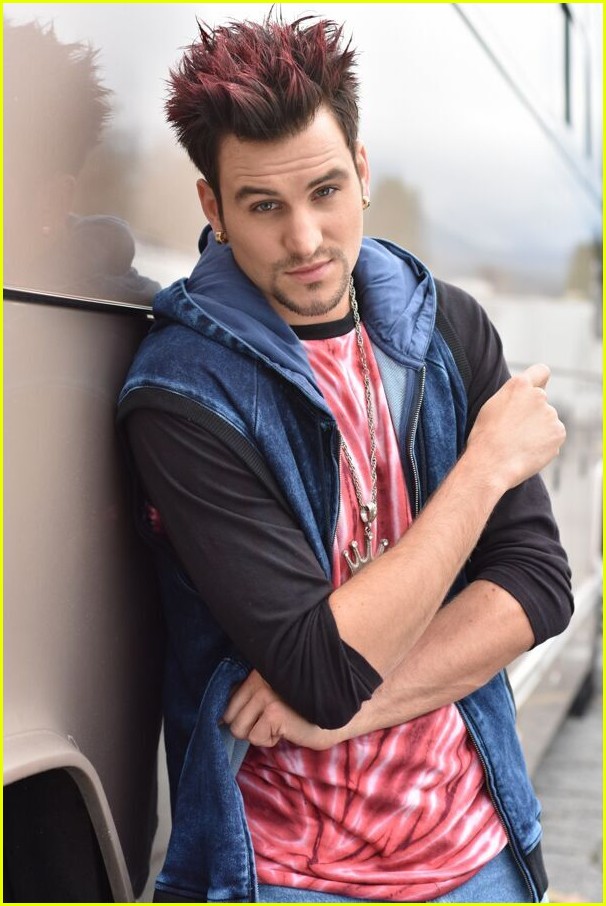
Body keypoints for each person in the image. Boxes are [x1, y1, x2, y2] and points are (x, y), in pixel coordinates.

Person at [118, 14, 572, 904]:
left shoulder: (446, 330)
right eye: (263, 206)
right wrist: (484, 468)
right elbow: (320, 669)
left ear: (362, 171)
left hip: (483, 851)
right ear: (212, 208)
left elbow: (537, 584)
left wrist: (340, 714)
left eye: (325, 191)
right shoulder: (183, 392)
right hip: (286, 874)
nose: (305, 239)